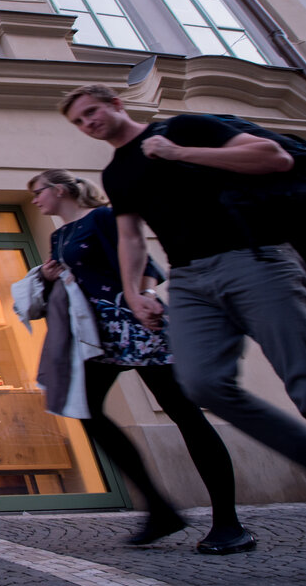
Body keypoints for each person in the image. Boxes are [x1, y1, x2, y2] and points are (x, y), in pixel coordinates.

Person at [61, 84, 306, 472]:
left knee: (300, 371)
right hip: (189, 278)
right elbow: (130, 237)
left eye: (92, 111)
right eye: (78, 121)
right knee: (202, 383)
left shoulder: (185, 128)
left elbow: (274, 157)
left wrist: (177, 153)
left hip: (252, 257)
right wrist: (134, 293)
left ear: (116, 104)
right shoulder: (116, 174)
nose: (87, 123)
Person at [27, 170, 253, 554]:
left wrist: (145, 298)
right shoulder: (59, 236)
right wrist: (48, 278)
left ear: (59, 190)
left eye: (38, 192)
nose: (35, 200)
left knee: (185, 414)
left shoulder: (103, 218)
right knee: (85, 410)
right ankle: (160, 510)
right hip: (99, 335)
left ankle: (228, 523)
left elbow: (145, 264)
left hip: (139, 324)